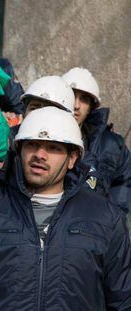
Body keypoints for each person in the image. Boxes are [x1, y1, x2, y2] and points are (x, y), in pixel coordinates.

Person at [0, 106, 131, 310]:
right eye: (32, 144)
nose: (40, 154)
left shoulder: (105, 217)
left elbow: (123, 299)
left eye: (53, 147)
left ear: (72, 159)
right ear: (19, 151)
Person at [62, 67, 131, 213]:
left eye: (84, 99)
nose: (76, 105)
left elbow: (123, 186)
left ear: (91, 108)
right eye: (72, 95)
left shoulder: (112, 146)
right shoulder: (39, 136)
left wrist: (110, 224)